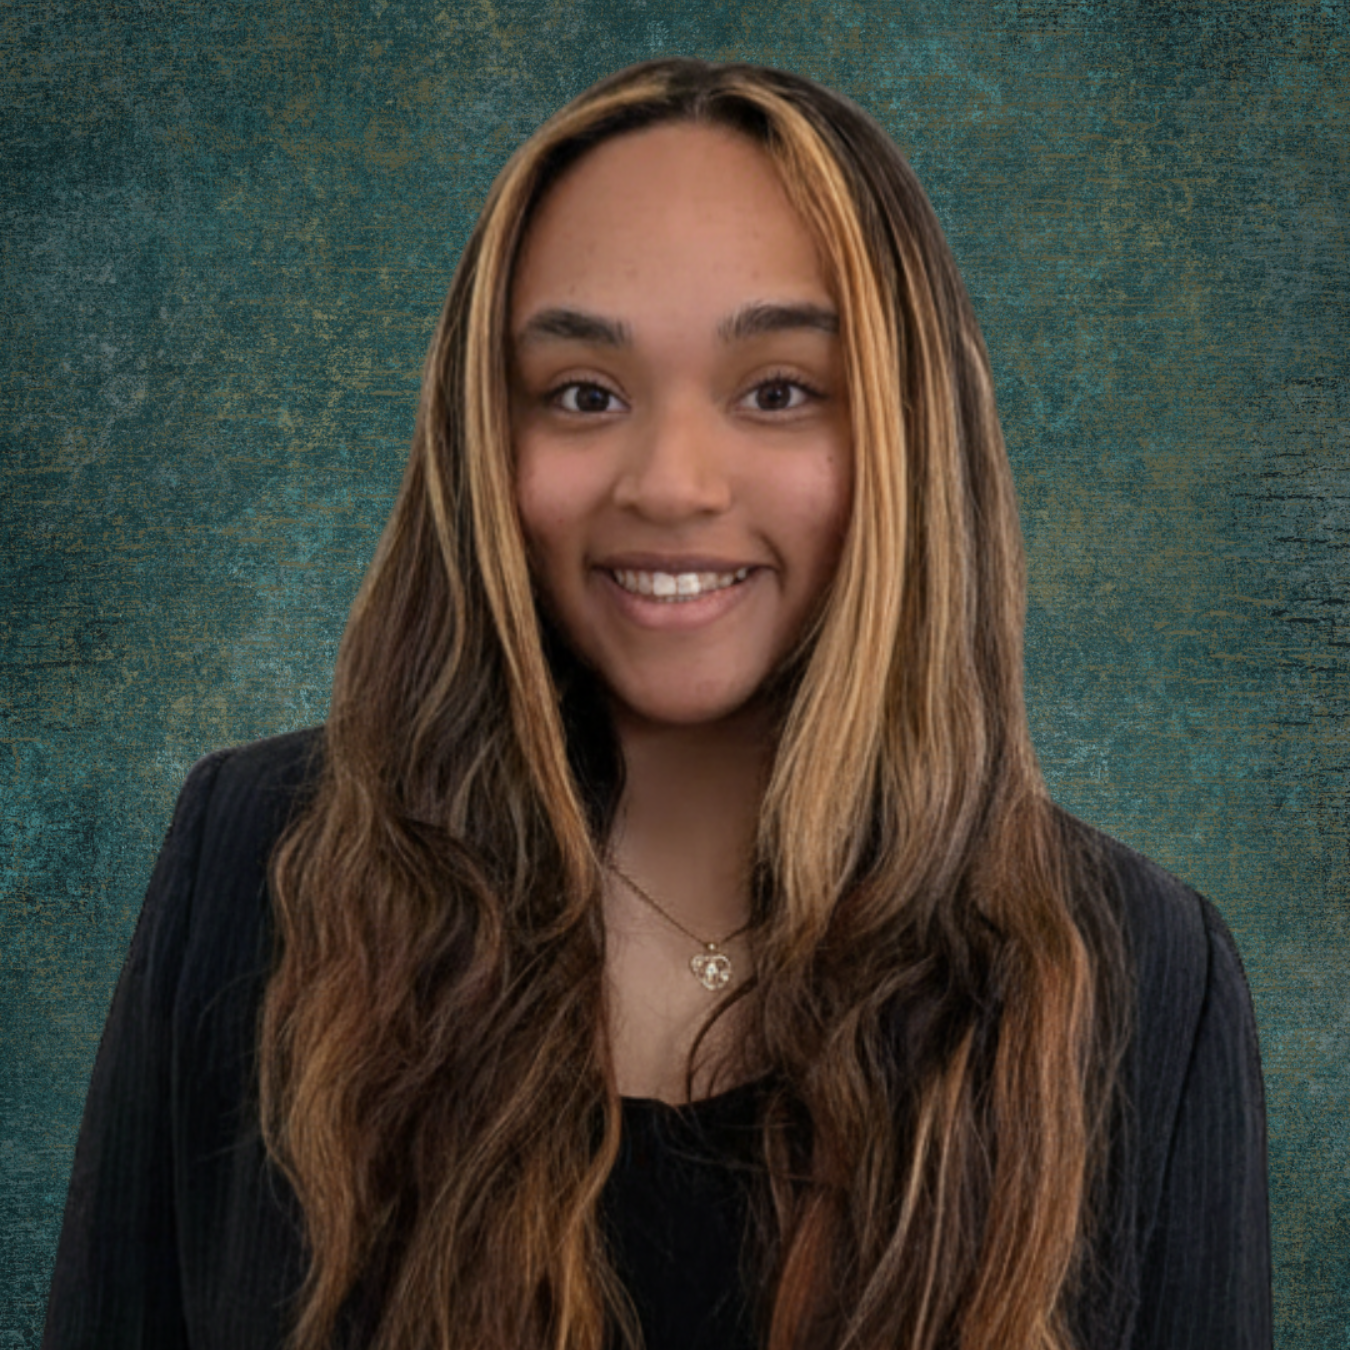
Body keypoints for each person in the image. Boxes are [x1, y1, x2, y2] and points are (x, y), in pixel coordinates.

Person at [41, 57, 1271, 1350]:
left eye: (778, 390)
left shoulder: (1146, 980)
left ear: (903, 440)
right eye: (583, 393)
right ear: (486, 441)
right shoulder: (249, 866)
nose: (672, 482)